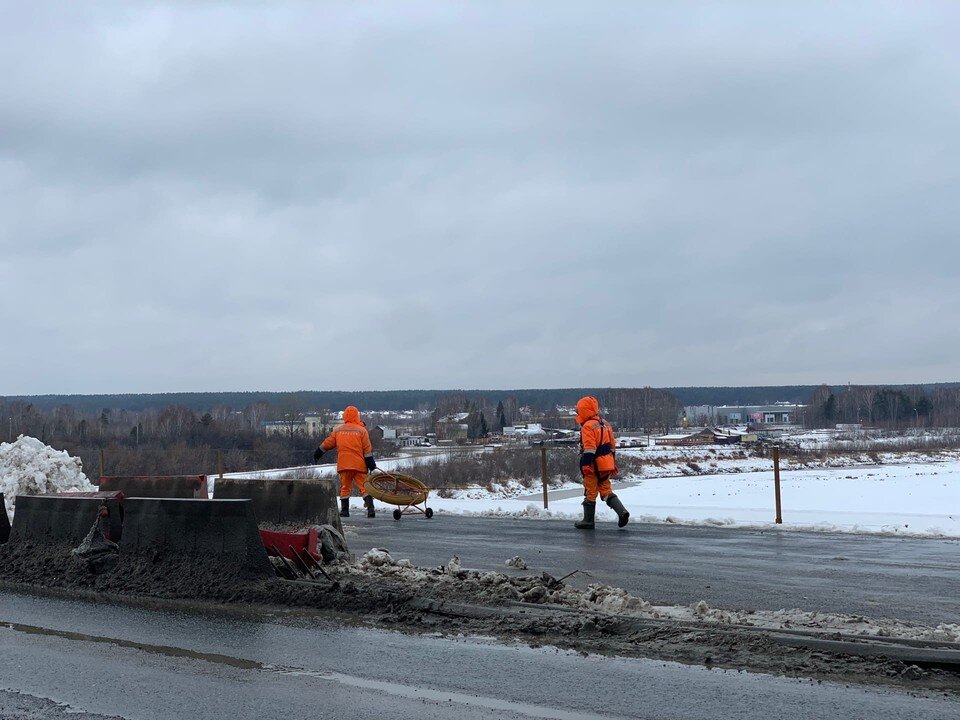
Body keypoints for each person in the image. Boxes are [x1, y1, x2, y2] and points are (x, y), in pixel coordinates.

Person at [574, 396, 629, 529]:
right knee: (605, 489)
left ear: (584, 410)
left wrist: (586, 464)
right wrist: (612, 463)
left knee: (590, 491)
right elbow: (612, 446)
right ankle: (622, 512)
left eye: (579, 410)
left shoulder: (587, 426)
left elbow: (590, 448)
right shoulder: (605, 423)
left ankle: (588, 521)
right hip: (606, 463)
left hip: (593, 464)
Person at [313, 406, 377, 518]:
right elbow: (367, 450)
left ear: (345, 416)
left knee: (345, 487)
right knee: (364, 487)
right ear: (357, 416)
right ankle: (370, 509)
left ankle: (344, 511)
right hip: (359, 466)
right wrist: (371, 465)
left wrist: (318, 453)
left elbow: (327, 443)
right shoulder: (362, 431)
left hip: (344, 465)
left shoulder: (338, 430)